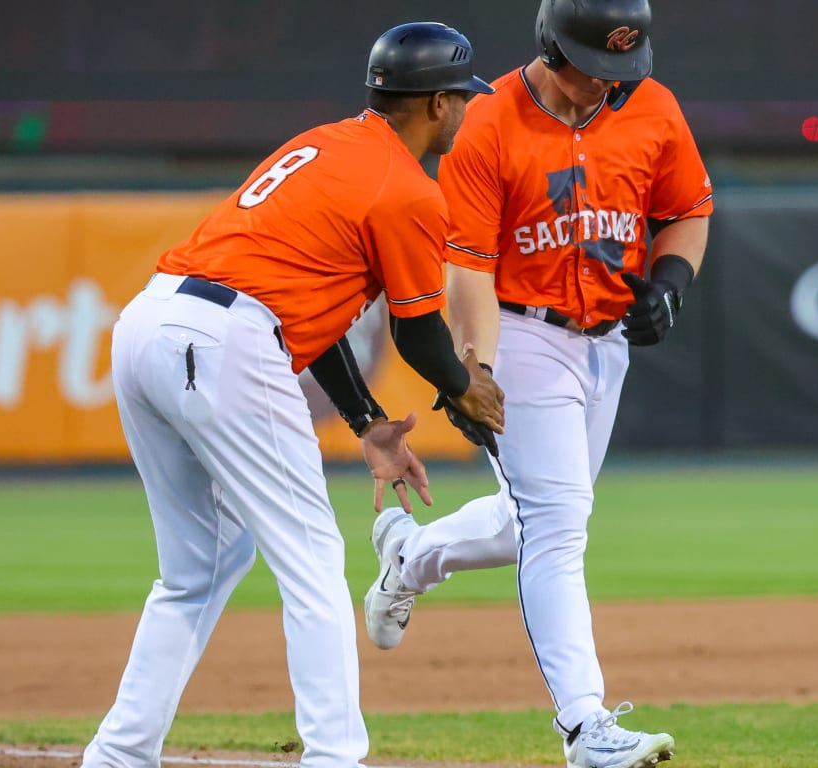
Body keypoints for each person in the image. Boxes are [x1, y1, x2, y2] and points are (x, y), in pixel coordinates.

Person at [80, 22, 503, 768]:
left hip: (149, 322)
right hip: (226, 345)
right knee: (311, 560)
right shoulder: (407, 188)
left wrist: (369, 421)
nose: (466, 111)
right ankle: (336, 757)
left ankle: (118, 756)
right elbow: (418, 333)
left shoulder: (328, 144)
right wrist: (466, 389)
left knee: (199, 569)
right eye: (462, 98)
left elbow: (312, 310)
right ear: (437, 103)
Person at [362, 2, 712, 767]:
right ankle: (586, 727)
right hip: (521, 332)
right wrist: (472, 371)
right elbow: (471, 270)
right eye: (597, 67)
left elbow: (687, 210)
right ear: (551, 46)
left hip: (606, 342)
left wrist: (673, 282)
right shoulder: (487, 123)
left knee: (534, 522)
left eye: (624, 64)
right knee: (557, 524)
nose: (611, 83)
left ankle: (411, 559)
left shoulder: (650, 105)